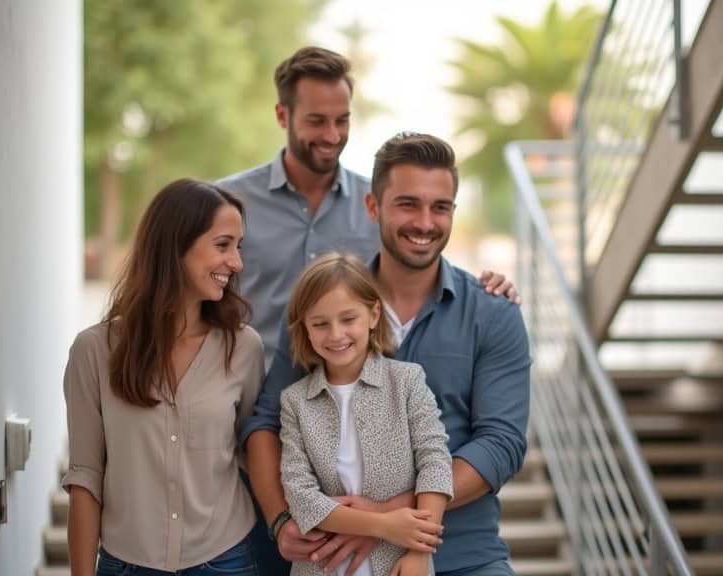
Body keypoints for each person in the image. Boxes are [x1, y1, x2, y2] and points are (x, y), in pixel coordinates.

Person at [219, 46, 520, 575]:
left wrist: (386, 518)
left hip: (461, 555)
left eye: (440, 206)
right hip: (330, 554)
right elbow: (265, 422)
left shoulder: (492, 315)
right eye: (408, 204)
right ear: (373, 207)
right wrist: (283, 521)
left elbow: (501, 442)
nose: (425, 222)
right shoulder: (328, 317)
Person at [62, 179, 265, 576]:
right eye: (223, 245)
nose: (236, 263)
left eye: (238, 247)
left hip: (225, 560)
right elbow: (85, 476)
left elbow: (252, 450)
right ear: (176, 244)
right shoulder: (94, 351)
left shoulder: (243, 348)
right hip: (126, 564)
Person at [279, 252, 454, 576]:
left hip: (401, 562)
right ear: (304, 328)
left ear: (374, 314)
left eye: (348, 319)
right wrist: (383, 525)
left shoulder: (407, 381)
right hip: (321, 566)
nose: (335, 335)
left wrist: (418, 551)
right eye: (320, 323)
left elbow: (435, 464)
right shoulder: (294, 402)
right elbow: (301, 497)